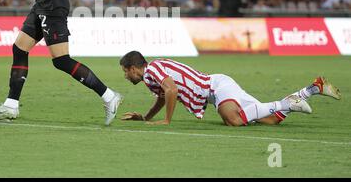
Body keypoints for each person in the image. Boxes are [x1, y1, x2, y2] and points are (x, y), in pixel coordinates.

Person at [119, 51, 341, 126]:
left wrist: (166, 121)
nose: (125, 76)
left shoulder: (151, 70)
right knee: (271, 119)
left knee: (233, 121)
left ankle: (286, 103)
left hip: (217, 87)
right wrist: (146, 118)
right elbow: (163, 95)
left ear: (133, 68)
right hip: (217, 89)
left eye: (125, 72)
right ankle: (312, 90)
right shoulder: (153, 74)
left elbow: (171, 91)